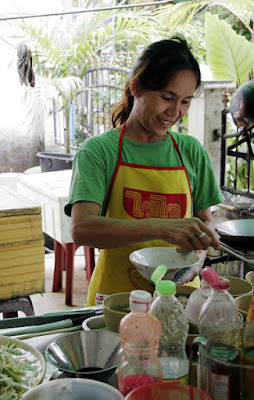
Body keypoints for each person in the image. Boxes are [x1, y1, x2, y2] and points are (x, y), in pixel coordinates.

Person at [65, 35, 224, 306]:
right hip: (117, 297)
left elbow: (205, 220)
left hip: (180, 296)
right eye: (167, 97)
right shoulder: (98, 151)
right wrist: (162, 228)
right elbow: (82, 229)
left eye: (185, 101)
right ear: (136, 87)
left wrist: (198, 254)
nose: (175, 112)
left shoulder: (191, 150)